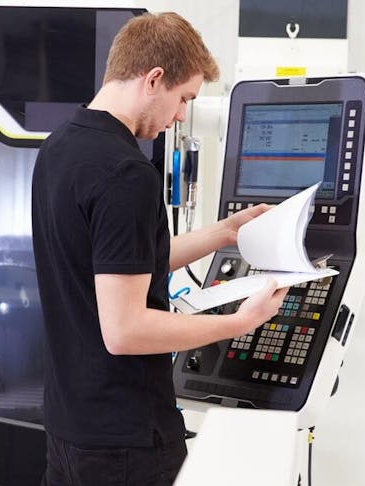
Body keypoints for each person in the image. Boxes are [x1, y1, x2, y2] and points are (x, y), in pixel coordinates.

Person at [32, 11, 288, 486]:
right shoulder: (126, 174)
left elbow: (121, 262)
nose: (180, 116)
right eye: (184, 98)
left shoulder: (59, 149)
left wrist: (225, 231)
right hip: (125, 442)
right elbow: (125, 330)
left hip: (69, 427)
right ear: (154, 79)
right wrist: (239, 322)